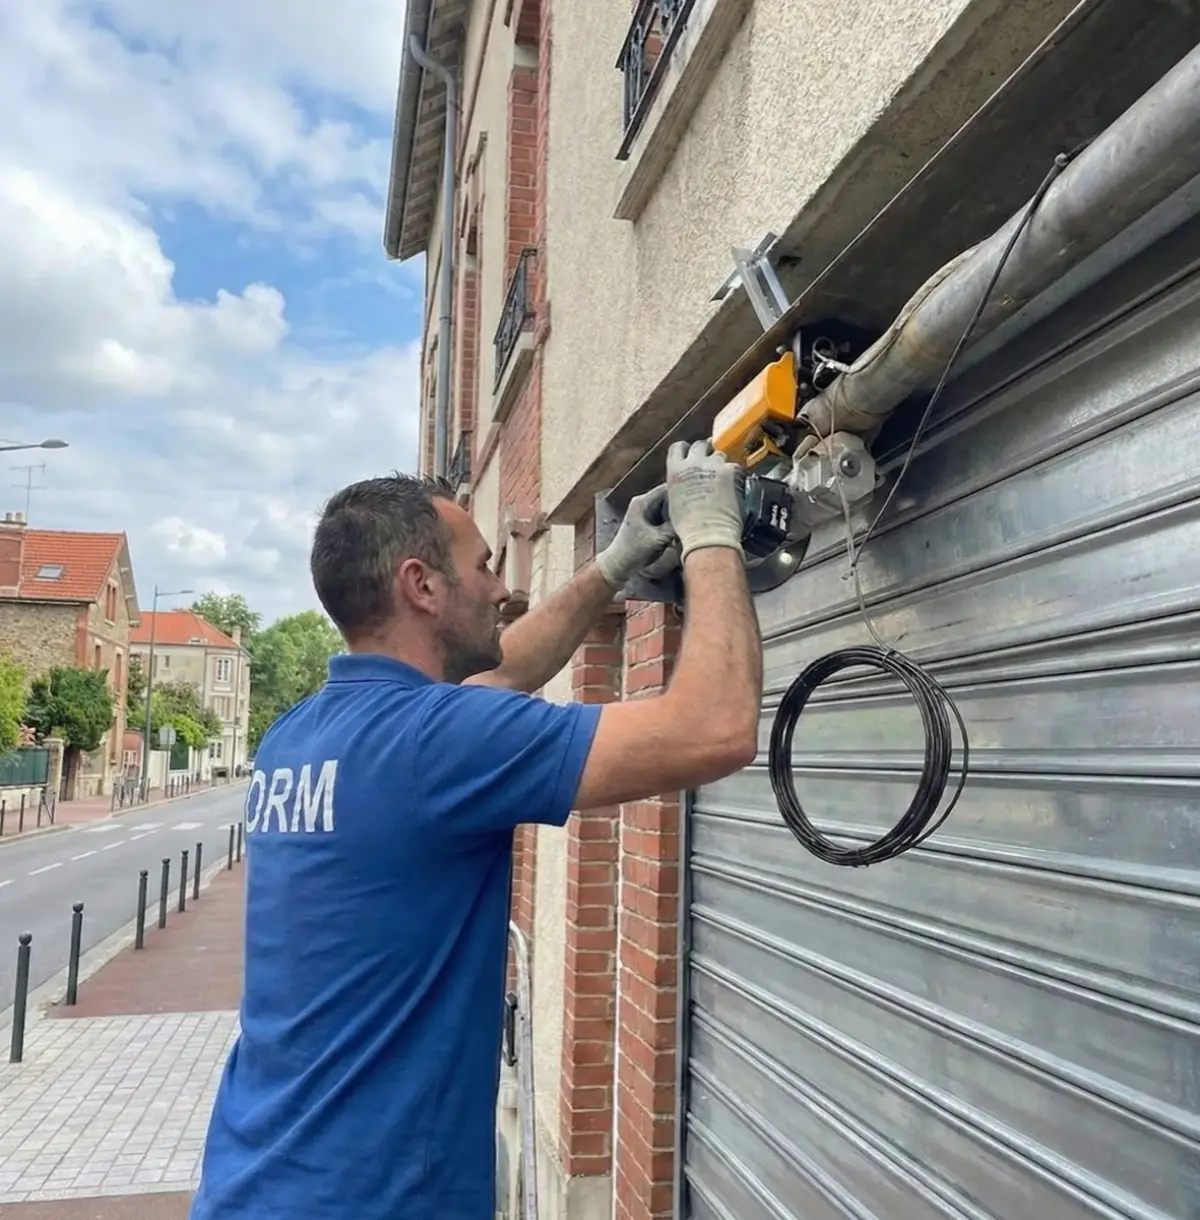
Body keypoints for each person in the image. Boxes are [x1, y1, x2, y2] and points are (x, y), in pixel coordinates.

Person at [189, 439, 763, 1219]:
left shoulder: (298, 735)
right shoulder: (437, 741)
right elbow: (713, 726)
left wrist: (614, 564)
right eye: (485, 566)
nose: (502, 588)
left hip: (254, 1182)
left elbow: (501, 672)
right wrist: (713, 533)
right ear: (421, 585)